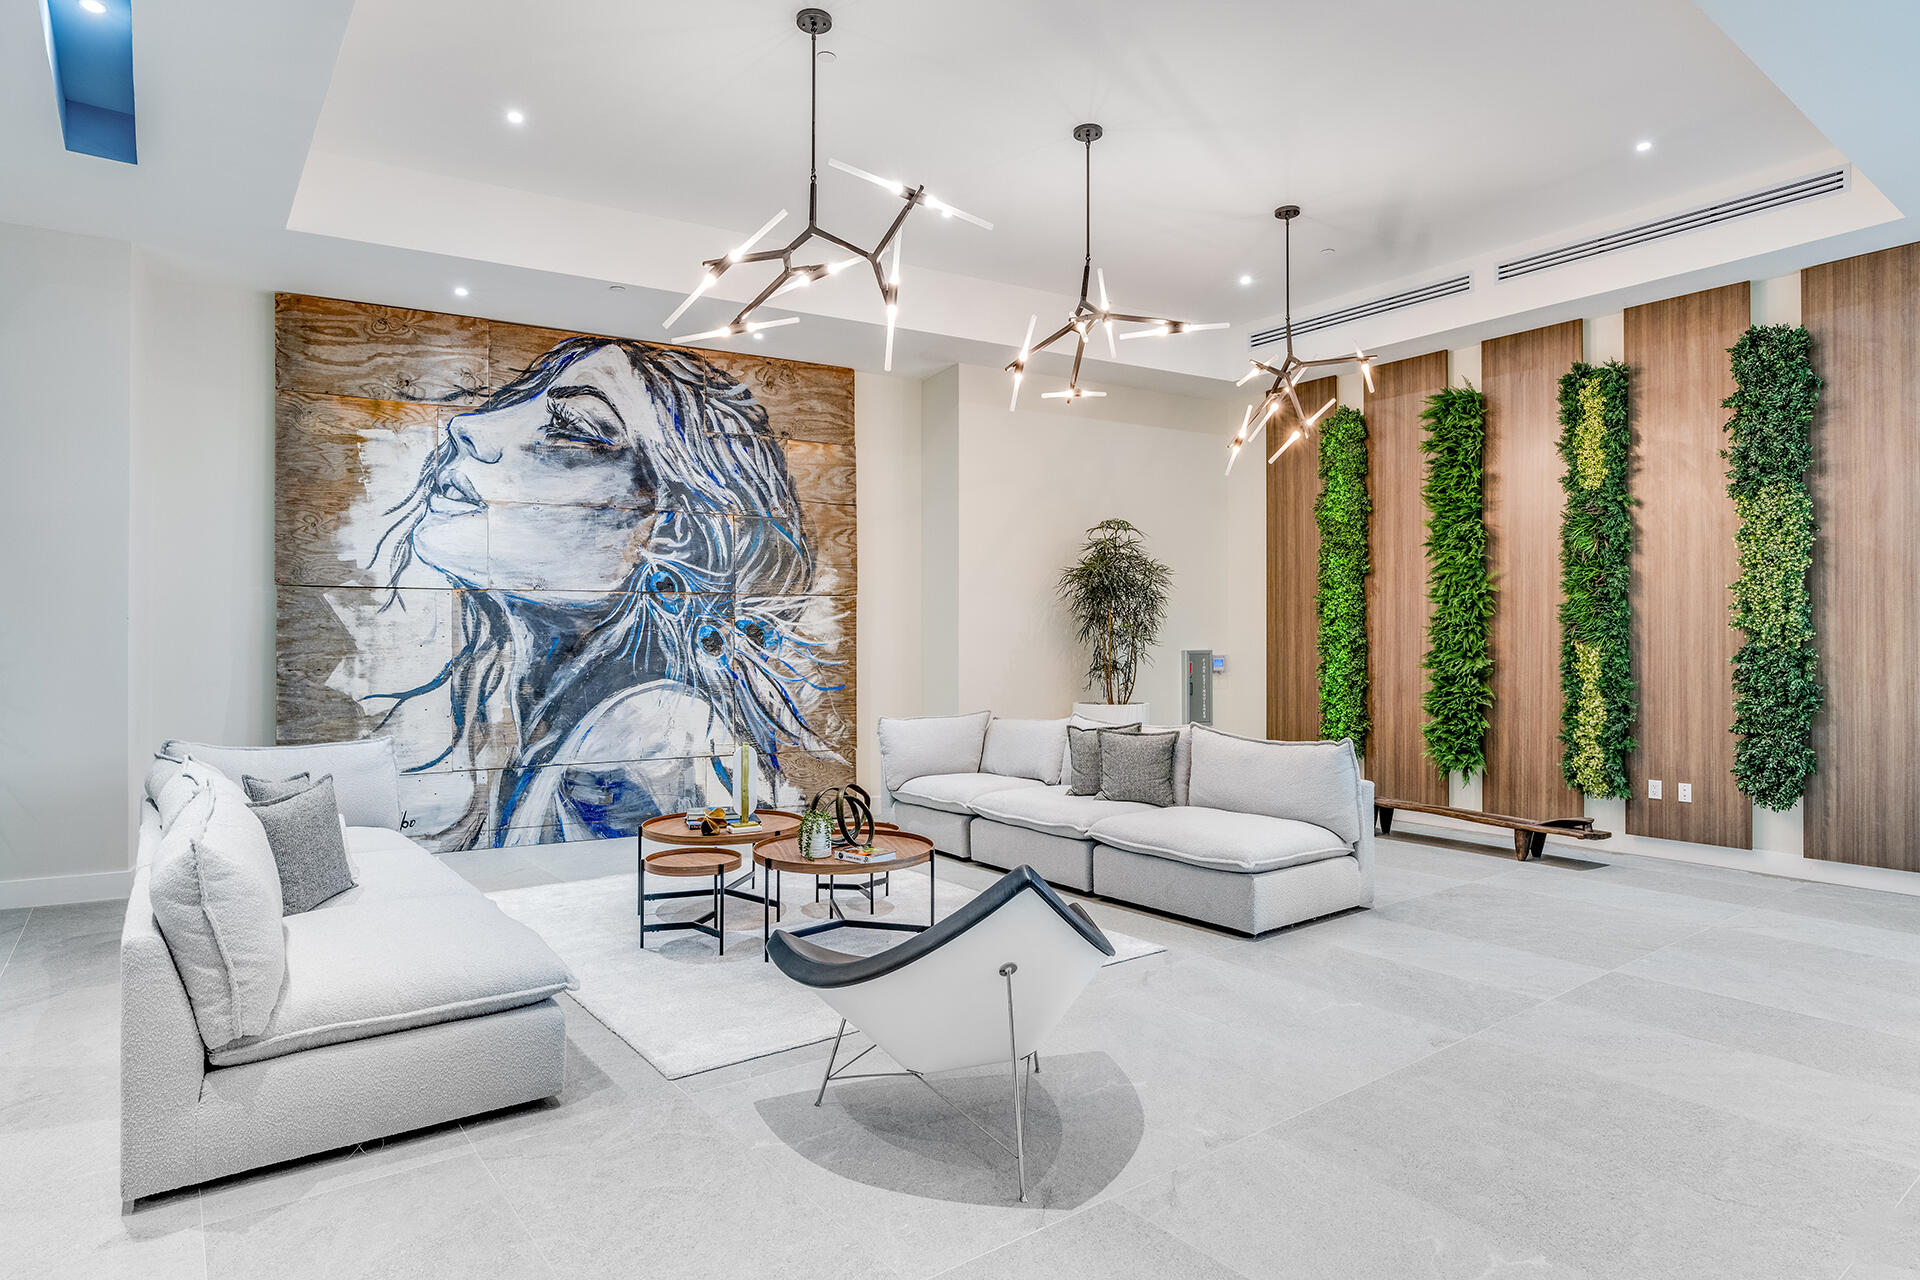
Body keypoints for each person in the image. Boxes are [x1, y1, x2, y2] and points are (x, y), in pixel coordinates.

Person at [369, 337, 843, 848]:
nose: (467, 426)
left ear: (670, 532)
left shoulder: (648, 733)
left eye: (571, 429)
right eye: (511, 405)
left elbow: (684, 888)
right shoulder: (561, 717)